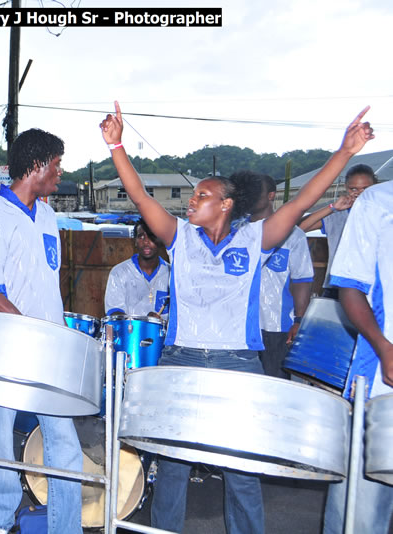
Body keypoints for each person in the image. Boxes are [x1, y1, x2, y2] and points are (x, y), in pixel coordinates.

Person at [100, 101, 373, 534]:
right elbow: (139, 195)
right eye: (192, 197)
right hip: (182, 357)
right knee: (172, 463)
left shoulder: (255, 238)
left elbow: (303, 199)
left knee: (240, 466)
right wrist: (115, 144)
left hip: (237, 360)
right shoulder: (179, 236)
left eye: (201, 196)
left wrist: (344, 152)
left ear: (226, 204)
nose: (192, 202)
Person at [0, 128, 83, 534]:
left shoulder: (49, 215)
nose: (59, 172)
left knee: (64, 443)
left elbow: (45, 286)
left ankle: (65, 528)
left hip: (48, 351)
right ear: (36, 165)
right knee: (0, 437)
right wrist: (30, 337)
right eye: (56, 164)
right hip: (8, 348)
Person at [322, 178, 393, 533]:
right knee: (361, 517)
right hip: (382, 383)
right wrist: (383, 346)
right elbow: (350, 288)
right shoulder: (379, 201)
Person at [245, 172, 313, 379]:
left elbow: (302, 279)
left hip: (276, 326)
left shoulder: (294, 235)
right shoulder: (235, 230)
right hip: (238, 325)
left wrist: (299, 320)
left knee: (273, 385)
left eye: (256, 191)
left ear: (271, 195)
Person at [298, 164, 377, 298]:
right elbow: (299, 228)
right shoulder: (336, 214)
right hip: (337, 286)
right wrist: (332, 207)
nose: (360, 193)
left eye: (365, 188)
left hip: (374, 286)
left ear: (375, 187)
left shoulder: (385, 213)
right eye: (354, 189)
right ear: (346, 188)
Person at [104, 218, 170, 320]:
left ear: (160, 241)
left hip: (163, 335)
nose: (146, 242)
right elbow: (114, 313)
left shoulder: (171, 274)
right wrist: (144, 323)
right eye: (141, 237)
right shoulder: (119, 273)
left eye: (151, 237)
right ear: (134, 241)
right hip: (131, 334)